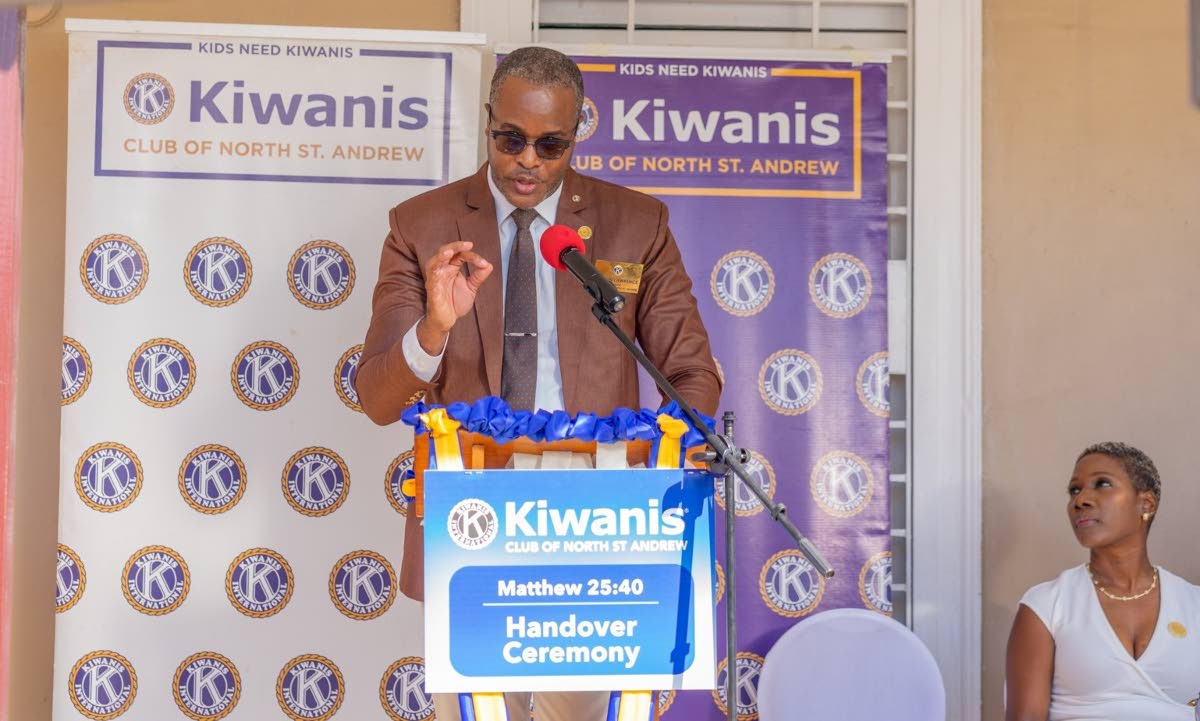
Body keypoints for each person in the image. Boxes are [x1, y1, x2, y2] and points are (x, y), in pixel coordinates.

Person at [356, 46, 721, 721]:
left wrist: (668, 466)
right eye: (510, 139)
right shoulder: (421, 227)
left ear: (579, 131)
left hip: (596, 518)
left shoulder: (637, 225)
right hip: (469, 521)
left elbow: (690, 373)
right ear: (488, 122)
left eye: (550, 143)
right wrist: (435, 327)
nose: (528, 160)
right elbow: (377, 396)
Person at [1005, 442, 1200, 721]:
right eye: (1075, 489)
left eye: (1102, 484)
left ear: (1146, 503)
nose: (1080, 500)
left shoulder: (1194, 605)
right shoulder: (1046, 606)